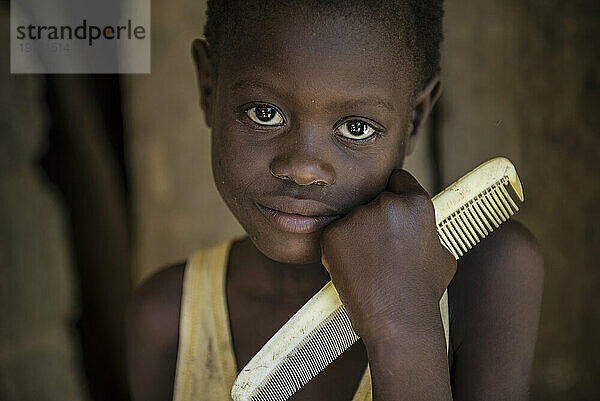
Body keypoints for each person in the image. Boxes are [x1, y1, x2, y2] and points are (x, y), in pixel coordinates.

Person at [126, 1, 544, 400]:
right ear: (208, 88)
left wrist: (404, 330)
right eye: (264, 112)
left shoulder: (491, 271)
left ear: (414, 119)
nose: (304, 168)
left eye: (357, 127)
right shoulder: (167, 320)